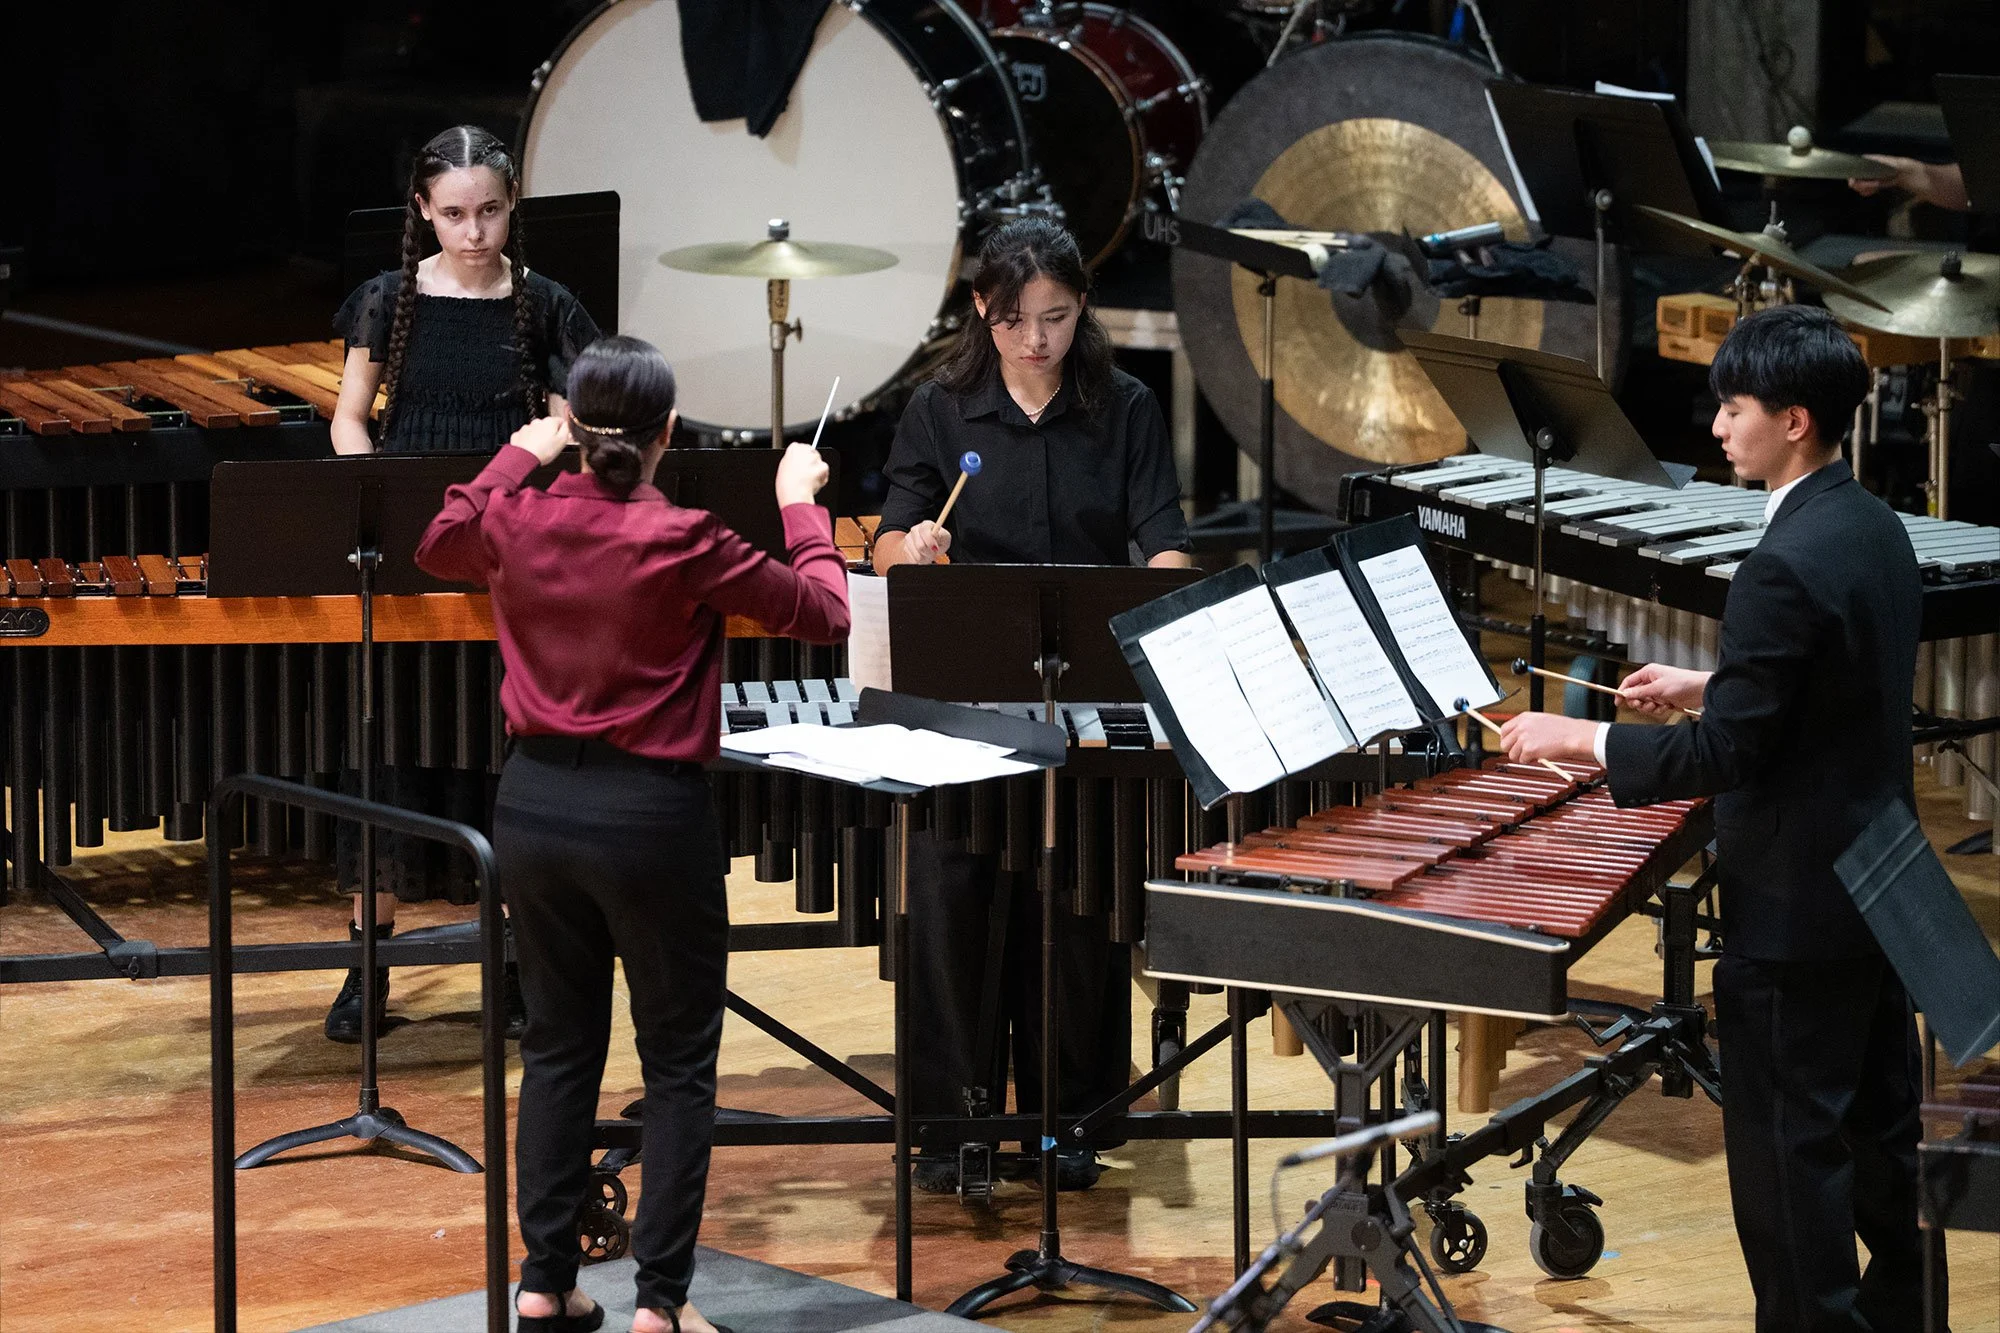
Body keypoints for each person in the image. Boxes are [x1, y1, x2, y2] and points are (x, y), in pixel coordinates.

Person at [1499, 305, 1940, 1332]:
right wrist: (1714, 680)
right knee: (1878, 1139)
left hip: (1792, 911)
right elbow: (1829, 689)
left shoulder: (1777, 565)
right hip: (1878, 886)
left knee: (1789, 1170)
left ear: (1792, 420)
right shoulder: (1873, 526)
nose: (1713, 429)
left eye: (1730, 408)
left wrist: (1582, 742)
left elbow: (1725, 759)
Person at [415, 334, 849, 1333]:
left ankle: (543, 1283)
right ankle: (659, 1305)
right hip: (650, 819)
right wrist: (798, 501)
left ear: (571, 424)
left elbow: (439, 540)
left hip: (530, 810)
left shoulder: (516, 517)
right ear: (667, 433)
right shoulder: (686, 535)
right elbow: (825, 612)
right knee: (677, 1063)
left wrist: (516, 455)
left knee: (560, 1048)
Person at [873, 217, 1191, 1193]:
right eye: (1014, 320)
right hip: (966, 699)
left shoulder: (1125, 406)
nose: (1035, 340)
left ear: (1080, 307)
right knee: (953, 901)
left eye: (1054, 317)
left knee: (1072, 911)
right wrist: (910, 553)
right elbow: (889, 539)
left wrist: (1162, 601)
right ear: (981, 308)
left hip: (1081, 707)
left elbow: (1163, 542)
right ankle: (957, 1125)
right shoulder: (940, 409)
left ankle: (1069, 1120)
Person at [322, 124, 601, 1043]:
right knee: (386, 750)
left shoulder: (548, 306)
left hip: (506, 558)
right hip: (408, 554)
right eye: (453, 215)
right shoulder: (385, 301)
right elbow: (350, 422)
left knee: (505, 759)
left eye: (488, 212)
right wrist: (384, 506)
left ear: (512, 205)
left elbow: (574, 429)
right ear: (422, 211)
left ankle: (515, 959)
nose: (473, 233)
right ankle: (368, 964)